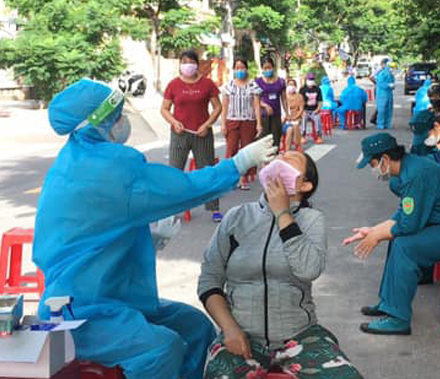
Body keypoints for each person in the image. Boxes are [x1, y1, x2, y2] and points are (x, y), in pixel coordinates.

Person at [34, 78, 278, 379]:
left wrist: (146, 238)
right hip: (80, 308)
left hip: (114, 292)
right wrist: (239, 163)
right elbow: (182, 188)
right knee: (162, 348)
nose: (122, 122)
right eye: (117, 117)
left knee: (196, 326)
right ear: (100, 121)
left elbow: (92, 229)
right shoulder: (106, 167)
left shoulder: (77, 159)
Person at [199, 152, 363, 378]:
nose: (279, 161)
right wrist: (229, 329)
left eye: (290, 160)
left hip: (301, 335)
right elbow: (209, 279)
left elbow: (309, 269)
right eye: (278, 156)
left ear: (305, 185)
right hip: (241, 335)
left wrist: (283, 214)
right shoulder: (237, 217)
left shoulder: (311, 219)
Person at [343, 133, 440, 335]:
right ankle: (389, 303)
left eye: (373, 163)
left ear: (385, 159)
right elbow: (403, 215)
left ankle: (398, 318)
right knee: (397, 241)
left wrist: (377, 235)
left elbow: (408, 225)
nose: (373, 169)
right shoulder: (408, 168)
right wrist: (373, 230)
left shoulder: (415, 175)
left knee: (405, 246)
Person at [161, 50, 224, 222]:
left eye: (191, 62)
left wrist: (208, 124)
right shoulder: (173, 84)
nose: (187, 65)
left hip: (202, 133)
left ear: (197, 64)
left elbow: (217, 107)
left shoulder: (207, 84)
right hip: (179, 133)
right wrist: (174, 122)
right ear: (180, 64)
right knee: (174, 171)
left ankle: (214, 209)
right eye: (184, 62)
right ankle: (171, 210)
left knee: (208, 171)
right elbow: (164, 109)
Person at [222, 59, 263, 190]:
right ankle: (230, 178)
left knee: (246, 150)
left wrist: (259, 124)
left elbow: (256, 106)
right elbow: (225, 106)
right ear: (234, 70)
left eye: (242, 67)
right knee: (231, 149)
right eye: (237, 68)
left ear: (246, 69)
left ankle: (242, 178)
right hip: (232, 120)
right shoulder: (228, 86)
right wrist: (223, 124)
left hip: (248, 121)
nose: (240, 70)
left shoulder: (253, 86)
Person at [256, 57, 287, 147]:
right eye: (265, 68)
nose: (267, 70)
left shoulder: (280, 82)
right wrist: (265, 105)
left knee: (276, 139)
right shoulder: (258, 82)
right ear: (262, 69)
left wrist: (287, 113)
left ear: (273, 68)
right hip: (263, 116)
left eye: (269, 67)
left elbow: (284, 99)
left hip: (276, 115)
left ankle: (275, 158)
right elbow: (255, 101)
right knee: (264, 140)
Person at [299, 72, 323, 144]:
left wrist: (318, 109)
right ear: (307, 80)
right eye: (309, 79)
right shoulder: (302, 89)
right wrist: (302, 110)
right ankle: (303, 136)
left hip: (314, 110)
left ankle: (319, 136)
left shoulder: (318, 89)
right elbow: (300, 101)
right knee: (304, 118)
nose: (311, 80)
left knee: (317, 119)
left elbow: (320, 101)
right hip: (305, 110)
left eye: (312, 79)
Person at [283, 80, 305, 151]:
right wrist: (287, 116)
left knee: (295, 125)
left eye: (293, 84)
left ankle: (298, 144)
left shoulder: (299, 96)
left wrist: (295, 117)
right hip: (286, 117)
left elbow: (301, 109)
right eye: (290, 84)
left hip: (296, 117)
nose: (291, 86)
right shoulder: (284, 96)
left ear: (295, 86)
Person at [374, 58, 395, 129]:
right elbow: (380, 83)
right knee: (381, 110)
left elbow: (392, 82)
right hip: (382, 94)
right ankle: (381, 124)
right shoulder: (381, 73)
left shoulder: (390, 74)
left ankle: (387, 124)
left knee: (389, 109)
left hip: (389, 94)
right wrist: (388, 85)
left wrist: (392, 85)